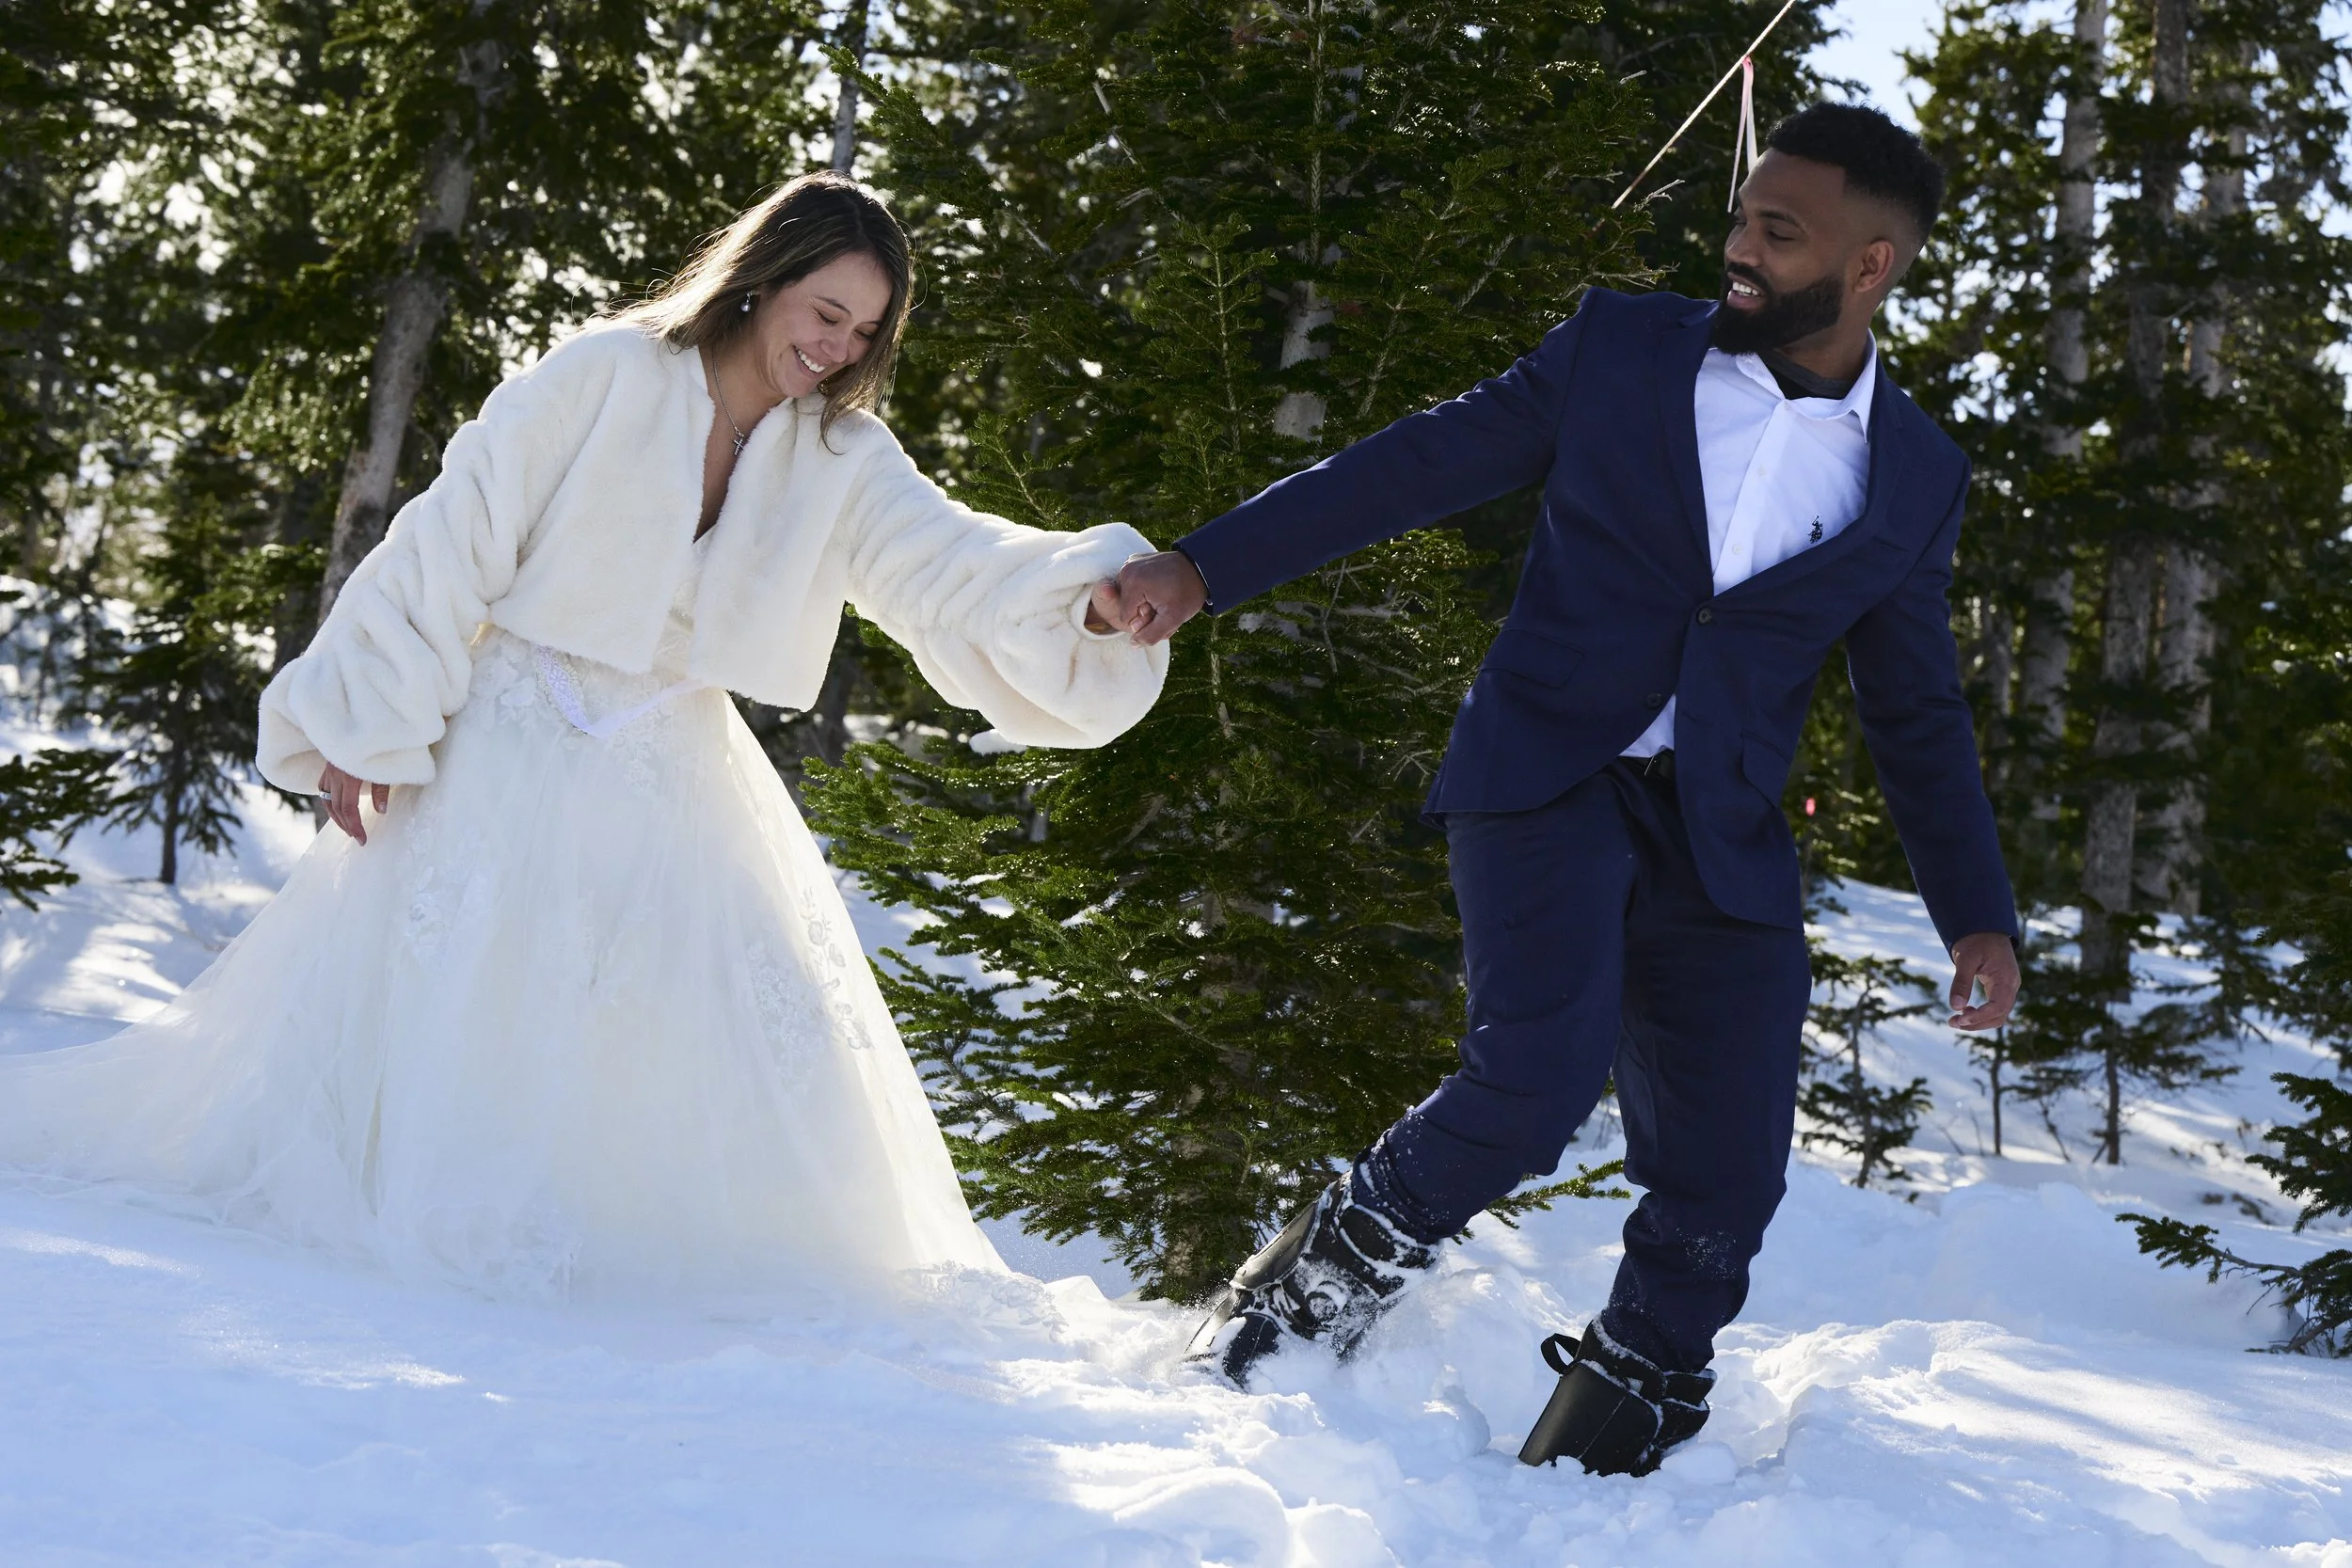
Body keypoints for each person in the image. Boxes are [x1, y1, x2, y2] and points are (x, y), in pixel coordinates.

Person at [0, 173, 1168, 1306]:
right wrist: (370, 718)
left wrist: (1084, 597)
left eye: (866, 331)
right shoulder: (605, 373)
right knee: (454, 989)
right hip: (506, 733)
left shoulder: (842, 458)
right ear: (763, 280)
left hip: (674, 762)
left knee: (698, 1024)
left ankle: (623, 1247)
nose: (841, 348)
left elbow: (949, 564)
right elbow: (452, 536)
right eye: (827, 312)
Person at [1098, 104, 2021, 1476]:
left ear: (1874, 265)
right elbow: (1412, 464)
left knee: (1729, 1162)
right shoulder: (1621, 348)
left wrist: (1977, 913)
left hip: (1718, 828)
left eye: (1780, 231)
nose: (1740, 250)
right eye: (1740, 218)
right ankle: (1285, 1315)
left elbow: (1917, 709)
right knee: (1533, 1075)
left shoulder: (1919, 476)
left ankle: (1620, 1425)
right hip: (1547, 771)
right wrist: (1203, 566)